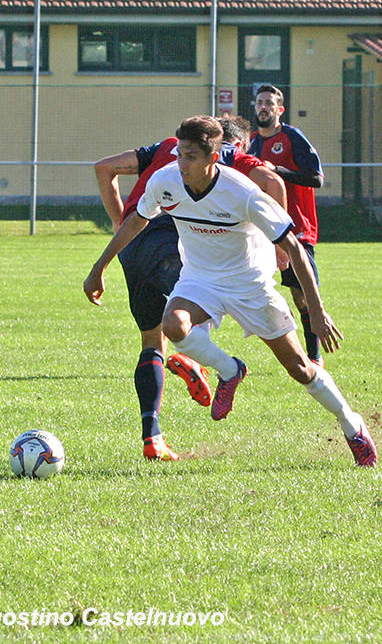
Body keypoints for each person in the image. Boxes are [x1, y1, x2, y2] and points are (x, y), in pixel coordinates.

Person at [85, 116, 376, 467]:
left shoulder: (241, 192)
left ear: (212, 158)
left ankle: (352, 425)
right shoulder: (166, 181)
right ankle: (230, 370)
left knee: (301, 368)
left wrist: (316, 310)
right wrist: (99, 267)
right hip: (200, 279)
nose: (181, 163)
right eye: (179, 154)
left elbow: (295, 249)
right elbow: (135, 220)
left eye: (190, 157)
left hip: (249, 285)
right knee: (174, 327)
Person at [93, 118, 287, 461]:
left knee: (152, 340)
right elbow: (270, 181)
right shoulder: (226, 157)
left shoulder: (164, 148)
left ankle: (152, 436)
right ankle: (191, 356)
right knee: (203, 294)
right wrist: (279, 246)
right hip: (170, 241)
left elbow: (104, 167)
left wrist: (118, 221)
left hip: (132, 247)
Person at [247, 85, 326, 365]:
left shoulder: (292, 137)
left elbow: (316, 178)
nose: (264, 107)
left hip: (296, 227)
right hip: (262, 230)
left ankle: (314, 356)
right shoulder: (252, 141)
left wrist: (278, 171)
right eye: (260, 102)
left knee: (302, 293)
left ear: (280, 109)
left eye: (269, 103)